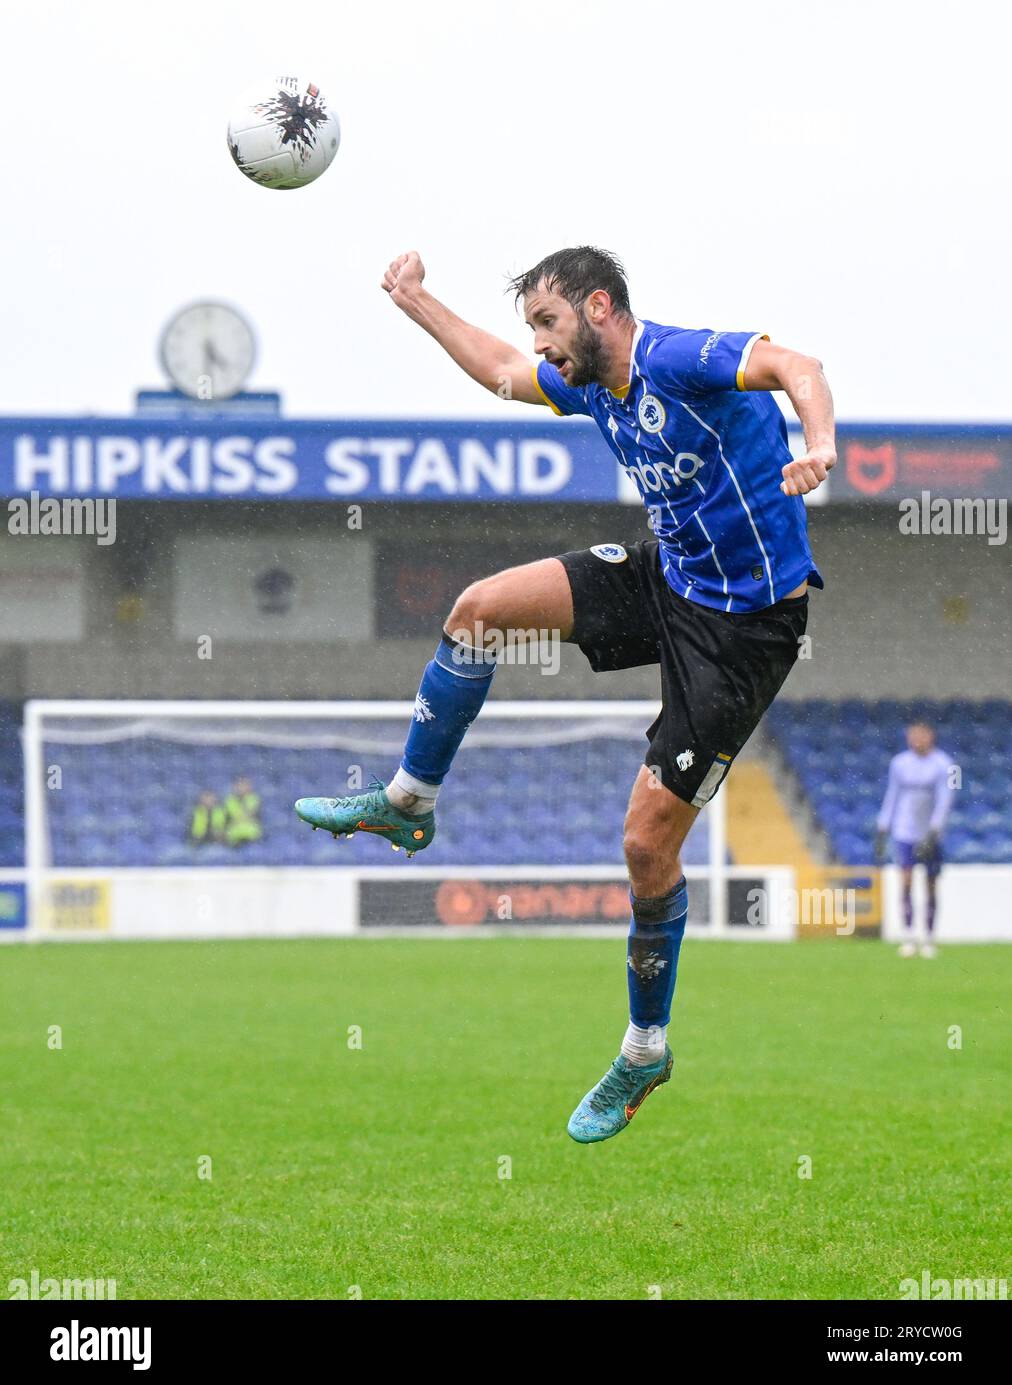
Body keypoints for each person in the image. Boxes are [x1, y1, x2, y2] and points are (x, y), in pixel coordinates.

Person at [295, 246, 835, 1143]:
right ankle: (407, 803)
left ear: (598, 306)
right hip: (673, 577)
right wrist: (416, 301)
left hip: (745, 629)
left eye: (547, 323)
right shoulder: (591, 387)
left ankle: (645, 1046)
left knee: (644, 848)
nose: (539, 345)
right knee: (479, 612)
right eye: (535, 330)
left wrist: (818, 444)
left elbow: (796, 365)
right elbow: (502, 374)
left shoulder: (672, 357)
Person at [875, 722, 953, 959]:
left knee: (930, 885)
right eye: (913, 736)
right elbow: (893, 793)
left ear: (931, 736)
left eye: (921, 735)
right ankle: (908, 935)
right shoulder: (899, 763)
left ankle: (929, 937)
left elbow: (946, 798)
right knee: (906, 881)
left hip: (930, 833)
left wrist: (935, 829)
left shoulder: (946, 764)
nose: (916, 740)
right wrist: (883, 825)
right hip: (904, 831)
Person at [224, 777, 262, 849]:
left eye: (245, 785)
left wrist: (239, 817)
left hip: (253, 836)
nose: (242, 788)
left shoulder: (255, 799)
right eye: (239, 785)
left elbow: (254, 815)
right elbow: (228, 819)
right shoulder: (228, 801)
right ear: (234, 786)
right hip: (234, 838)